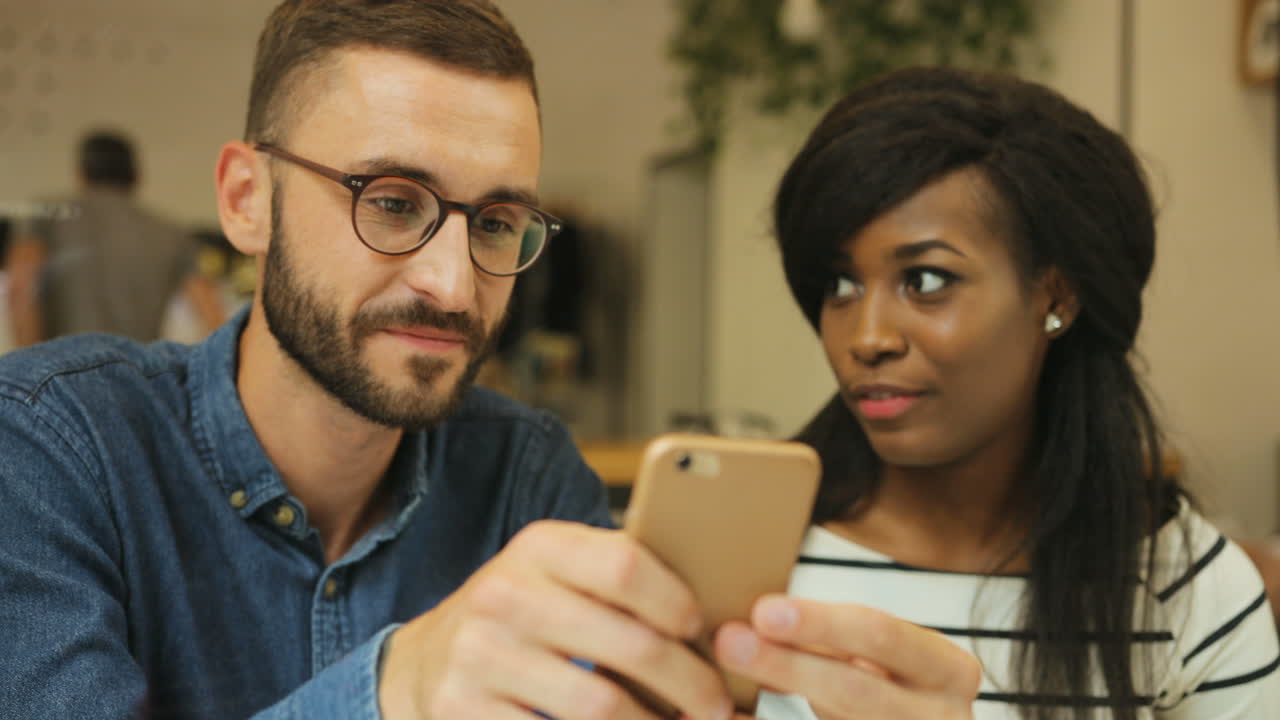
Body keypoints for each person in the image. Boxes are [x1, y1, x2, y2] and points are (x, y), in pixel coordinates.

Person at [0, 3, 982, 719]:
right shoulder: (50, 443)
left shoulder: (527, 474)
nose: (453, 283)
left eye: (499, 221)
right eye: (390, 201)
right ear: (246, 198)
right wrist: (397, 691)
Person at [757, 66, 1280, 719]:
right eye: (840, 285)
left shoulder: (1192, 592)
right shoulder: (751, 557)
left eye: (924, 279)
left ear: (1055, 296)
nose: (866, 337)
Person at [5, 131, 227, 345]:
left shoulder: (48, 216)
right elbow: (212, 314)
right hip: (136, 374)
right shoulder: (171, 233)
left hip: (58, 371)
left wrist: (28, 365)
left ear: (82, 172)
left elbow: (22, 288)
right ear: (137, 176)